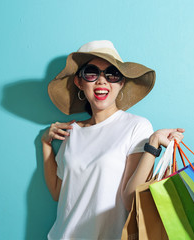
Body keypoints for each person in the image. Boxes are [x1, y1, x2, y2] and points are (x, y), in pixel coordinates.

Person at [42, 40, 185, 240]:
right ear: (79, 82)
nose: (102, 81)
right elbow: (59, 193)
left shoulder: (136, 127)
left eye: (112, 74)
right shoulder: (71, 132)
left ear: (122, 82)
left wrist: (152, 145)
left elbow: (130, 201)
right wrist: (45, 144)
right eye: (91, 73)